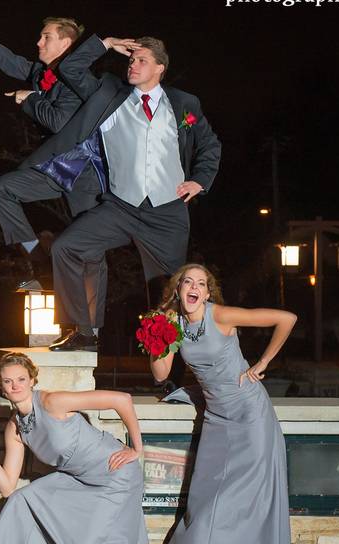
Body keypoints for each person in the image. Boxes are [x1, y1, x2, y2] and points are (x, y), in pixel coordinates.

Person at [0, 352, 191, 544]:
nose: (15, 386)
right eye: (8, 382)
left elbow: (120, 399)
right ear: (2, 387)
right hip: (77, 478)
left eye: (21, 379)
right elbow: (8, 487)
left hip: (115, 475)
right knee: (23, 500)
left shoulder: (53, 402)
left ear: (32, 380)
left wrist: (137, 447)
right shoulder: (15, 428)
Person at [48, 36, 221, 352]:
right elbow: (70, 68)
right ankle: (85, 331)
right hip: (120, 206)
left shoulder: (185, 104)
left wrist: (200, 180)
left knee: (171, 292)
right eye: (131, 59)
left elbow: (209, 144)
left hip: (167, 211)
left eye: (141, 60)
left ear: (160, 68)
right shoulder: (109, 96)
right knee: (66, 247)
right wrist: (106, 43)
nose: (133, 64)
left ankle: (172, 373)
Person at [0, 6, 110, 289]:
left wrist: (29, 99)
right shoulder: (41, 72)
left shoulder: (78, 79)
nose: (38, 43)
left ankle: (90, 329)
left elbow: (59, 122)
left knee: (89, 252)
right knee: (1, 189)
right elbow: (6, 58)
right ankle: (36, 258)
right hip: (56, 166)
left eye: (45, 37)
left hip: (83, 171)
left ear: (65, 44)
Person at [150, 264, 294, 544]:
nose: (194, 287)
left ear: (208, 293)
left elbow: (286, 318)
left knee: (254, 502)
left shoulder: (223, 315)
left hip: (250, 414)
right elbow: (161, 373)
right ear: (178, 288)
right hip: (216, 417)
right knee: (204, 502)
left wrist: (262, 364)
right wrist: (157, 335)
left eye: (201, 283)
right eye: (188, 281)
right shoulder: (172, 322)